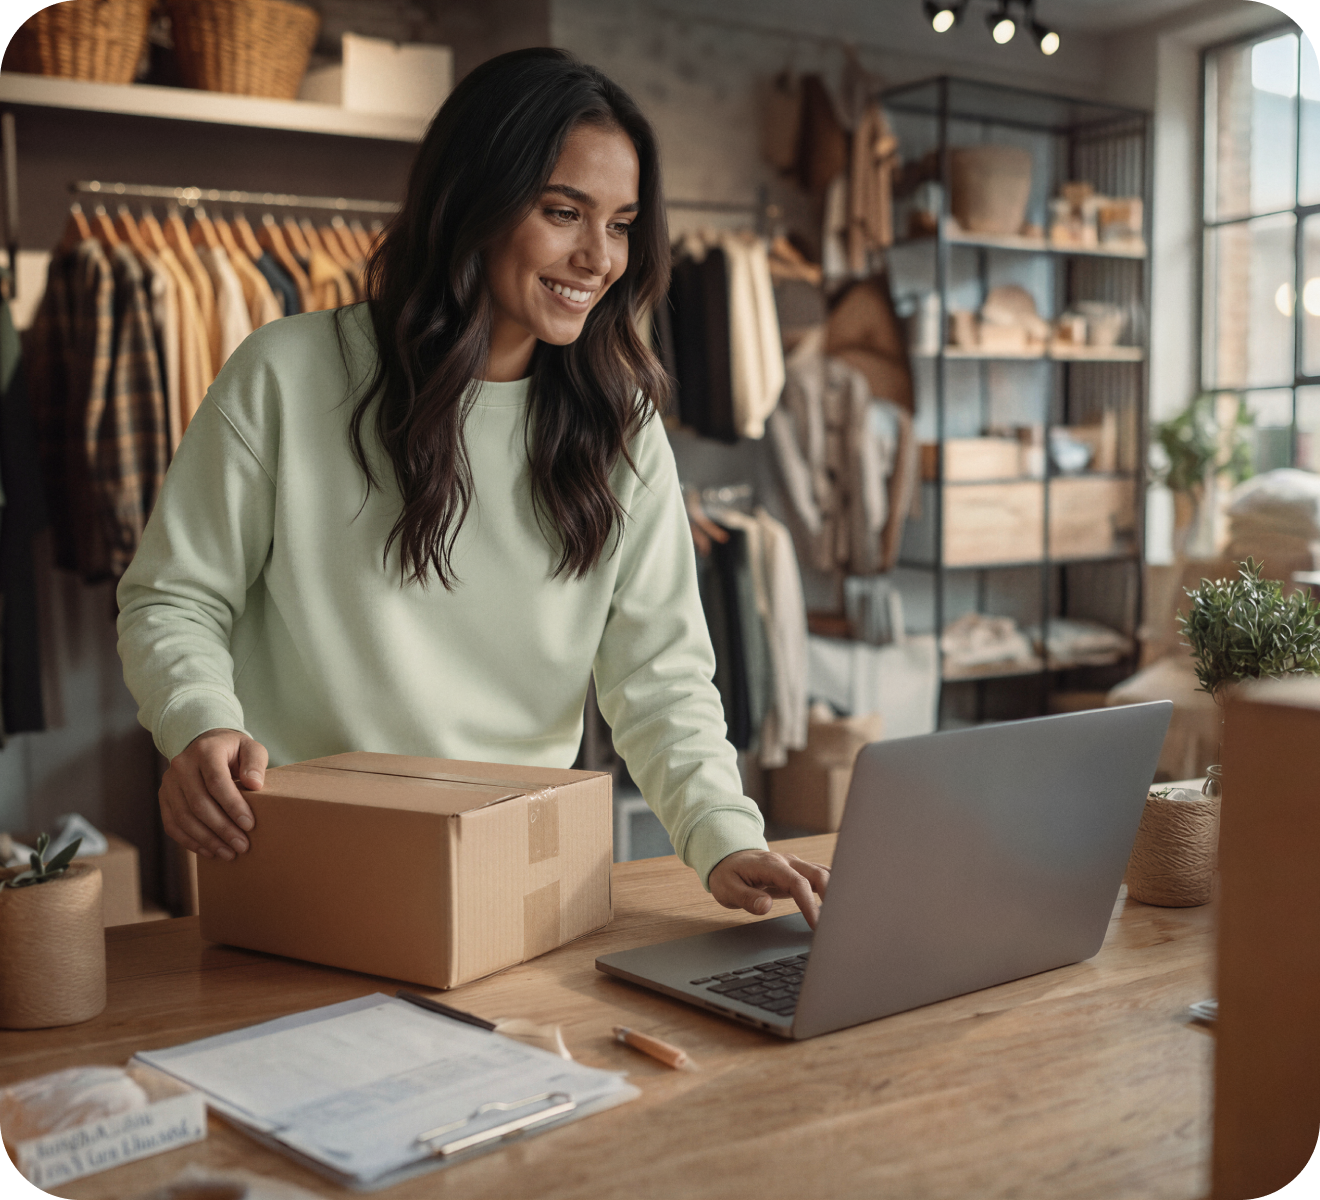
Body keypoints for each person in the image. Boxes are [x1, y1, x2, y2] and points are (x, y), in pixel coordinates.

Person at [117, 48, 829, 927]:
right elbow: (173, 598)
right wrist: (197, 722)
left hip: (518, 872)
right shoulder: (286, 376)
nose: (597, 257)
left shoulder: (623, 428)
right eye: (563, 212)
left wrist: (724, 835)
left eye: (620, 223)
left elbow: (659, 676)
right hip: (304, 863)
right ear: (473, 203)